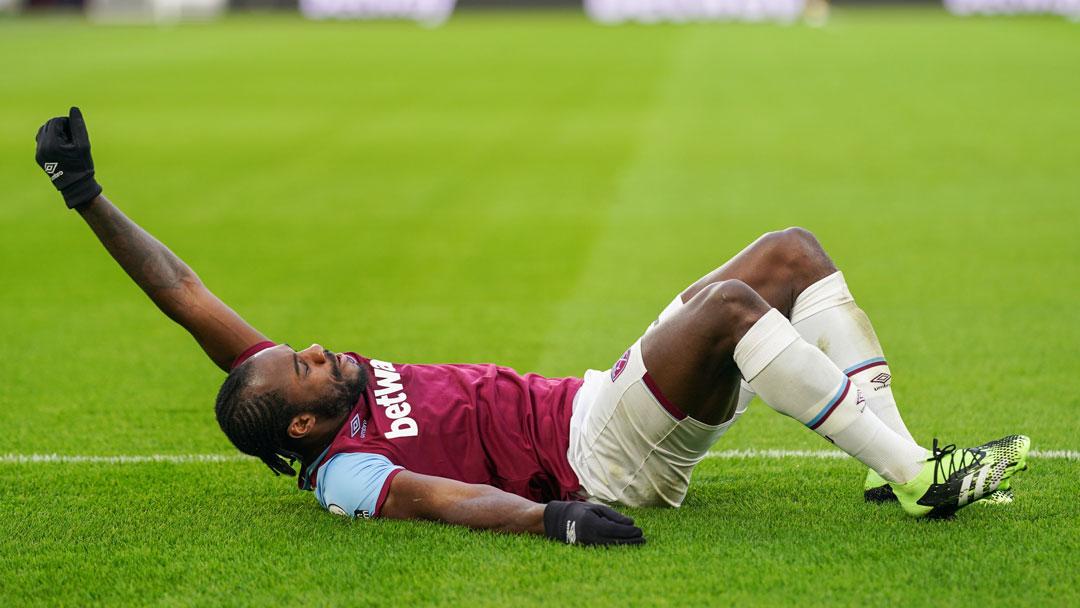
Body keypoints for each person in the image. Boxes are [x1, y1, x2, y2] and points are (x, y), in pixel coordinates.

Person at [34, 107, 1030, 547]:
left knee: (792, 252)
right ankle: (917, 476)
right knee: (734, 309)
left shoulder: (288, 392)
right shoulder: (342, 466)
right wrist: (548, 517)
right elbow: (436, 498)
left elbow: (187, 293)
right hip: (600, 458)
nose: (312, 349)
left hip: (596, 399)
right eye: (300, 369)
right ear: (299, 425)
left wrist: (87, 196)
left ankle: (885, 454)